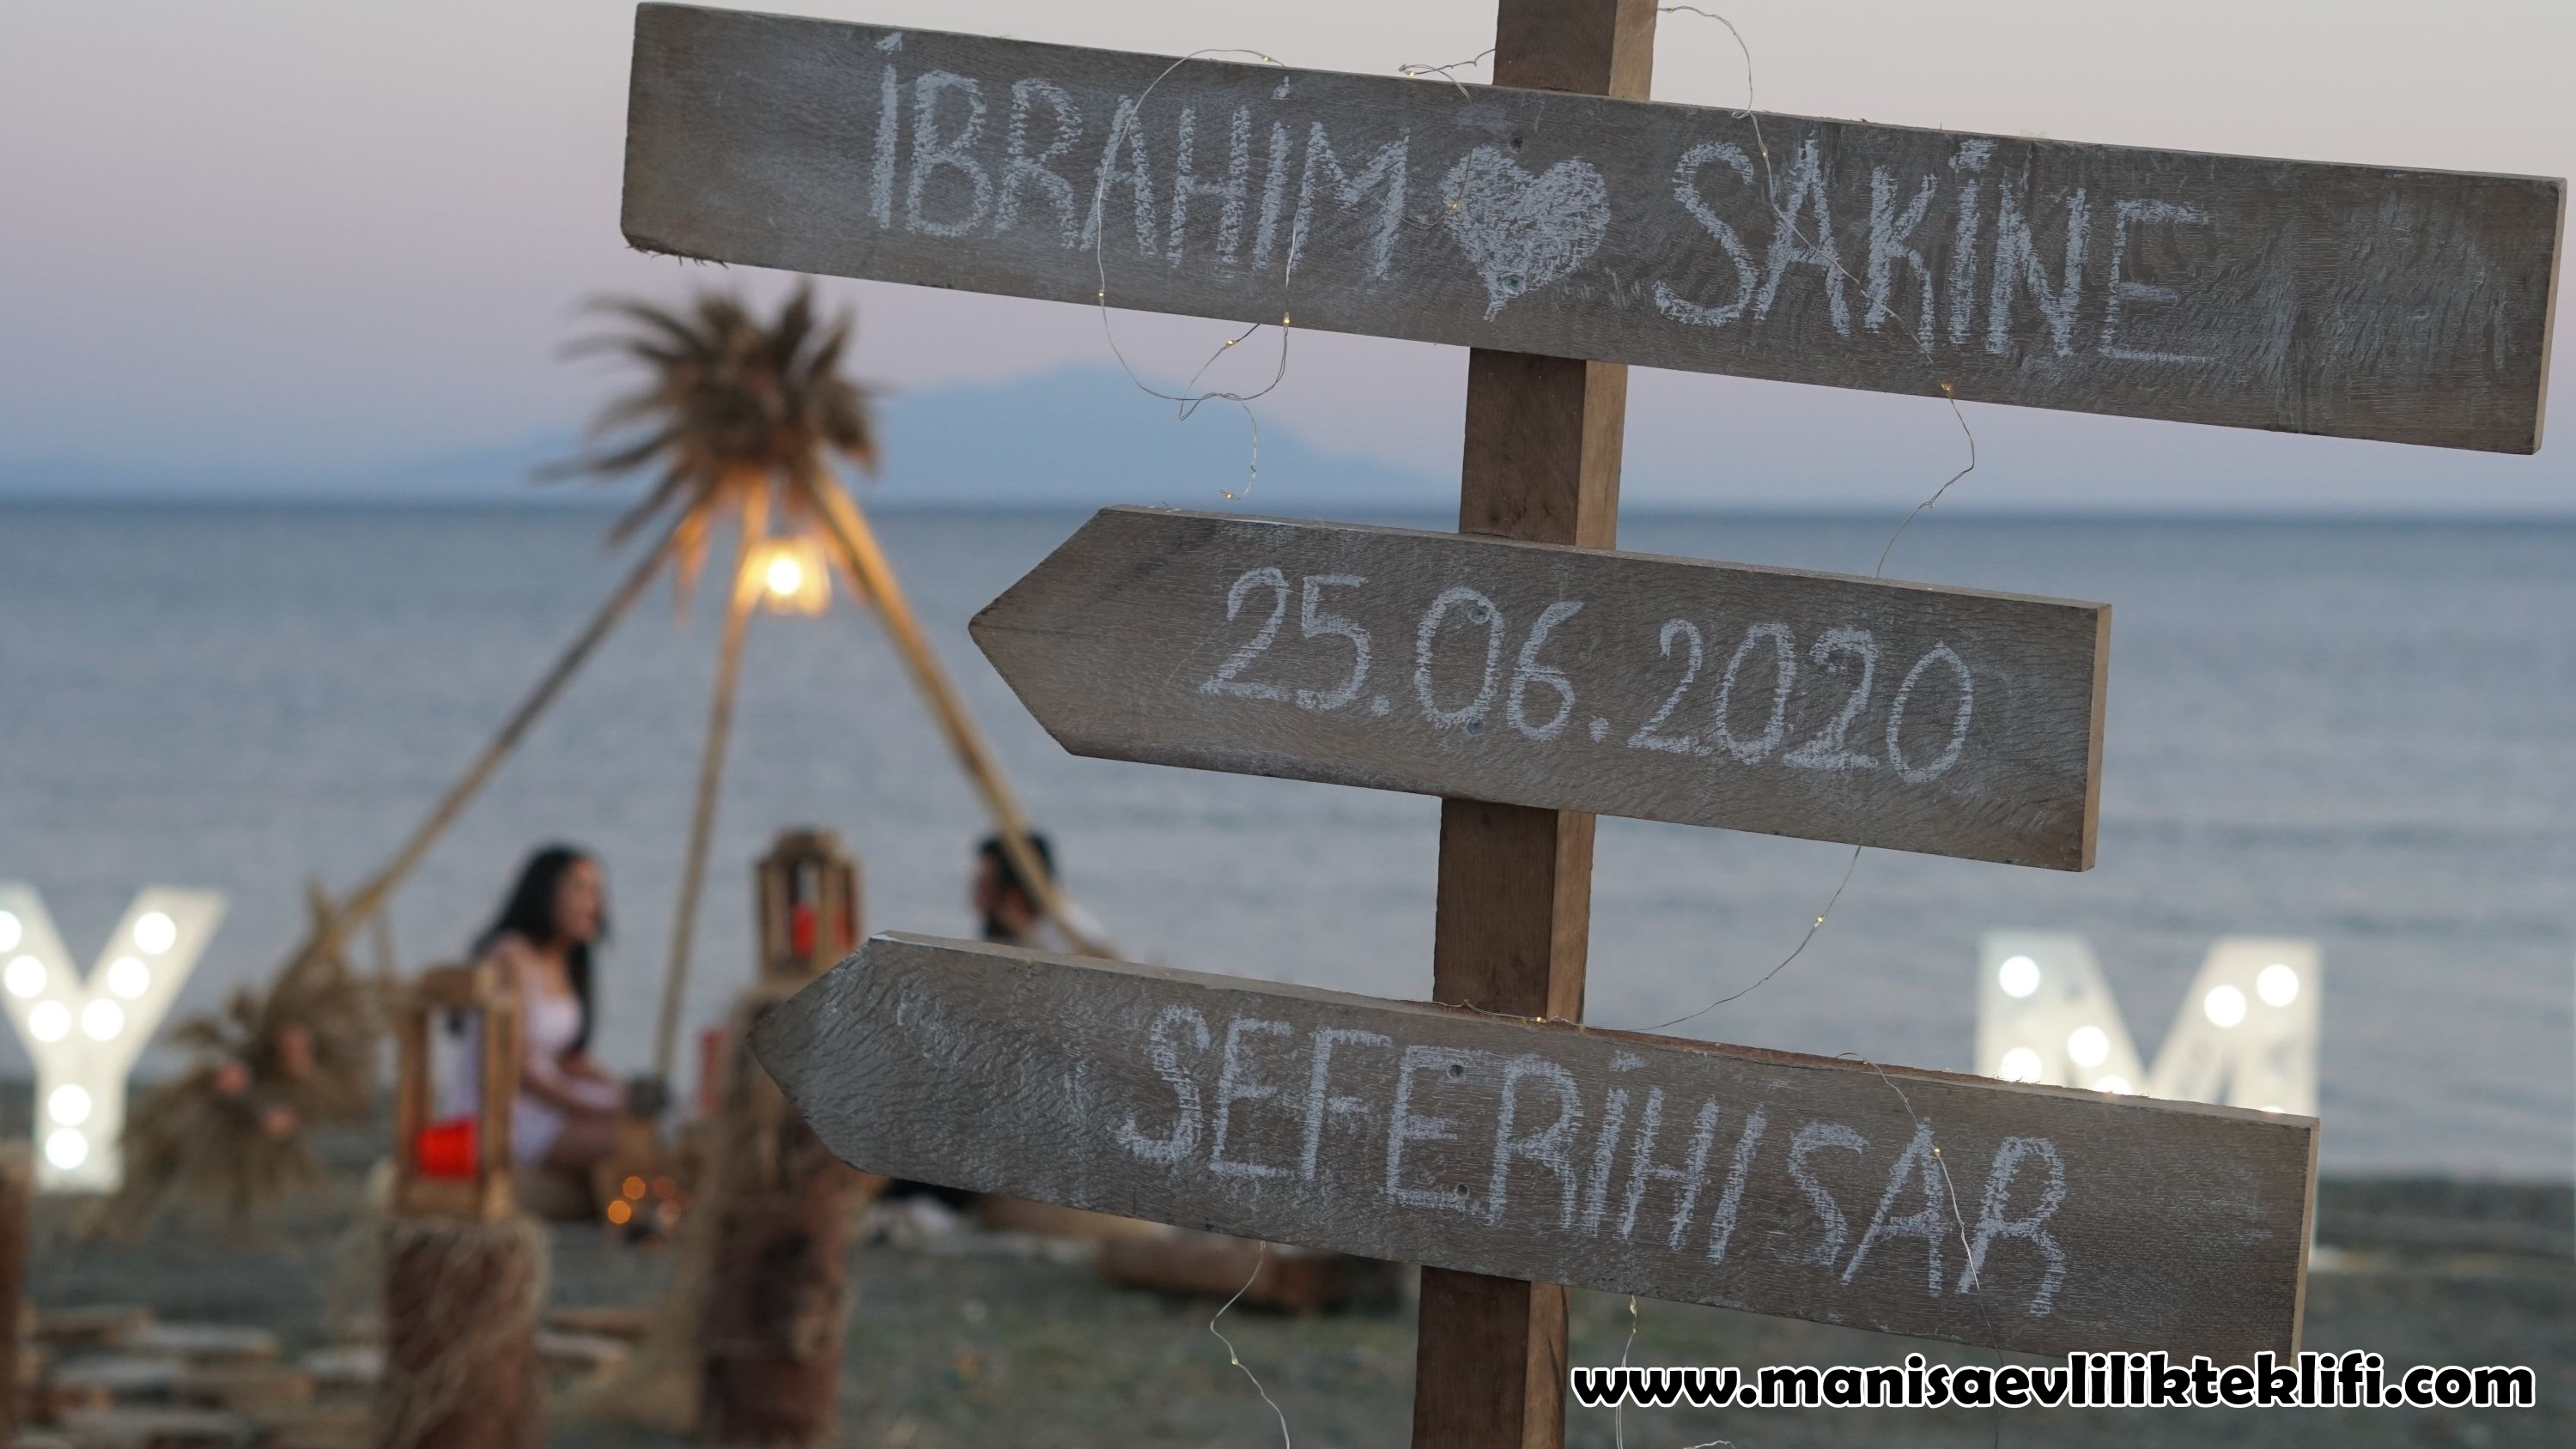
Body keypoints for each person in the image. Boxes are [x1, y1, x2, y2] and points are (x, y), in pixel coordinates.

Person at [449, 844, 626, 1171]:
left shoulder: (568, 959)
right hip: (500, 1107)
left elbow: (568, 1058)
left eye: (597, 891)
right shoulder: (509, 955)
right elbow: (516, 1070)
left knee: (645, 1124)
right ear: (544, 891)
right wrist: (592, 1109)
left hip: (546, 1098)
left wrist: (621, 1093)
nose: (592, 903)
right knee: (629, 1141)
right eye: (579, 888)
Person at [972, 830, 1103, 952]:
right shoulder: (1008, 933)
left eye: (985, 886)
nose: (976, 900)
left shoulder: (1069, 939)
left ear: (1015, 895)